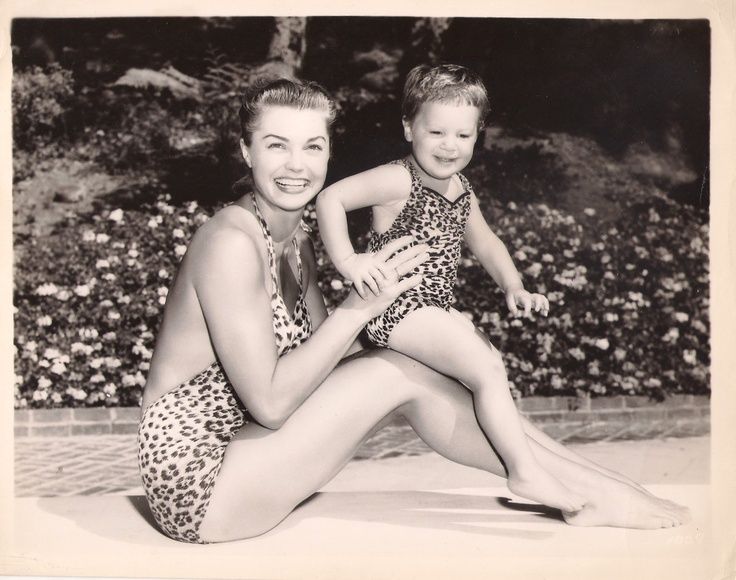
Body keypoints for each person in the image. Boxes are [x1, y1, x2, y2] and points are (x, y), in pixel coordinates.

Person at [137, 77, 688, 545]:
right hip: (199, 486)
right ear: (246, 150)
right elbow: (273, 403)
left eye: (313, 147)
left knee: (420, 363)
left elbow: (329, 358)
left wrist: (422, 330)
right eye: (276, 145)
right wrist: (362, 307)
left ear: (329, 153)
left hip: (248, 456)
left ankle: (597, 485)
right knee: (397, 372)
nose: (297, 165)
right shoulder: (231, 242)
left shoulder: (297, 239)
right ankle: (588, 492)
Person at [317, 64, 585, 511]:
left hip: (431, 307)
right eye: (437, 132)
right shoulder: (398, 178)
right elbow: (330, 198)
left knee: (486, 366)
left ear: (478, 135)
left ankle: (531, 465)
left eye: (463, 135)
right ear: (409, 128)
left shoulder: (461, 188)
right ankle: (524, 472)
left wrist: (513, 286)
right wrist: (349, 261)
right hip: (396, 305)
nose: (449, 145)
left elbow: (487, 242)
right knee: (486, 368)